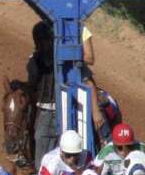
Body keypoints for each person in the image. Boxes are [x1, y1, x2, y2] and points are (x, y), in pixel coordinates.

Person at [28, 22, 102, 159]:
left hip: (75, 66)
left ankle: (104, 145)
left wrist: (69, 54)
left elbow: (90, 59)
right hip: (47, 105)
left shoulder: (80, 29)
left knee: (101, 117)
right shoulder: (50, 28)